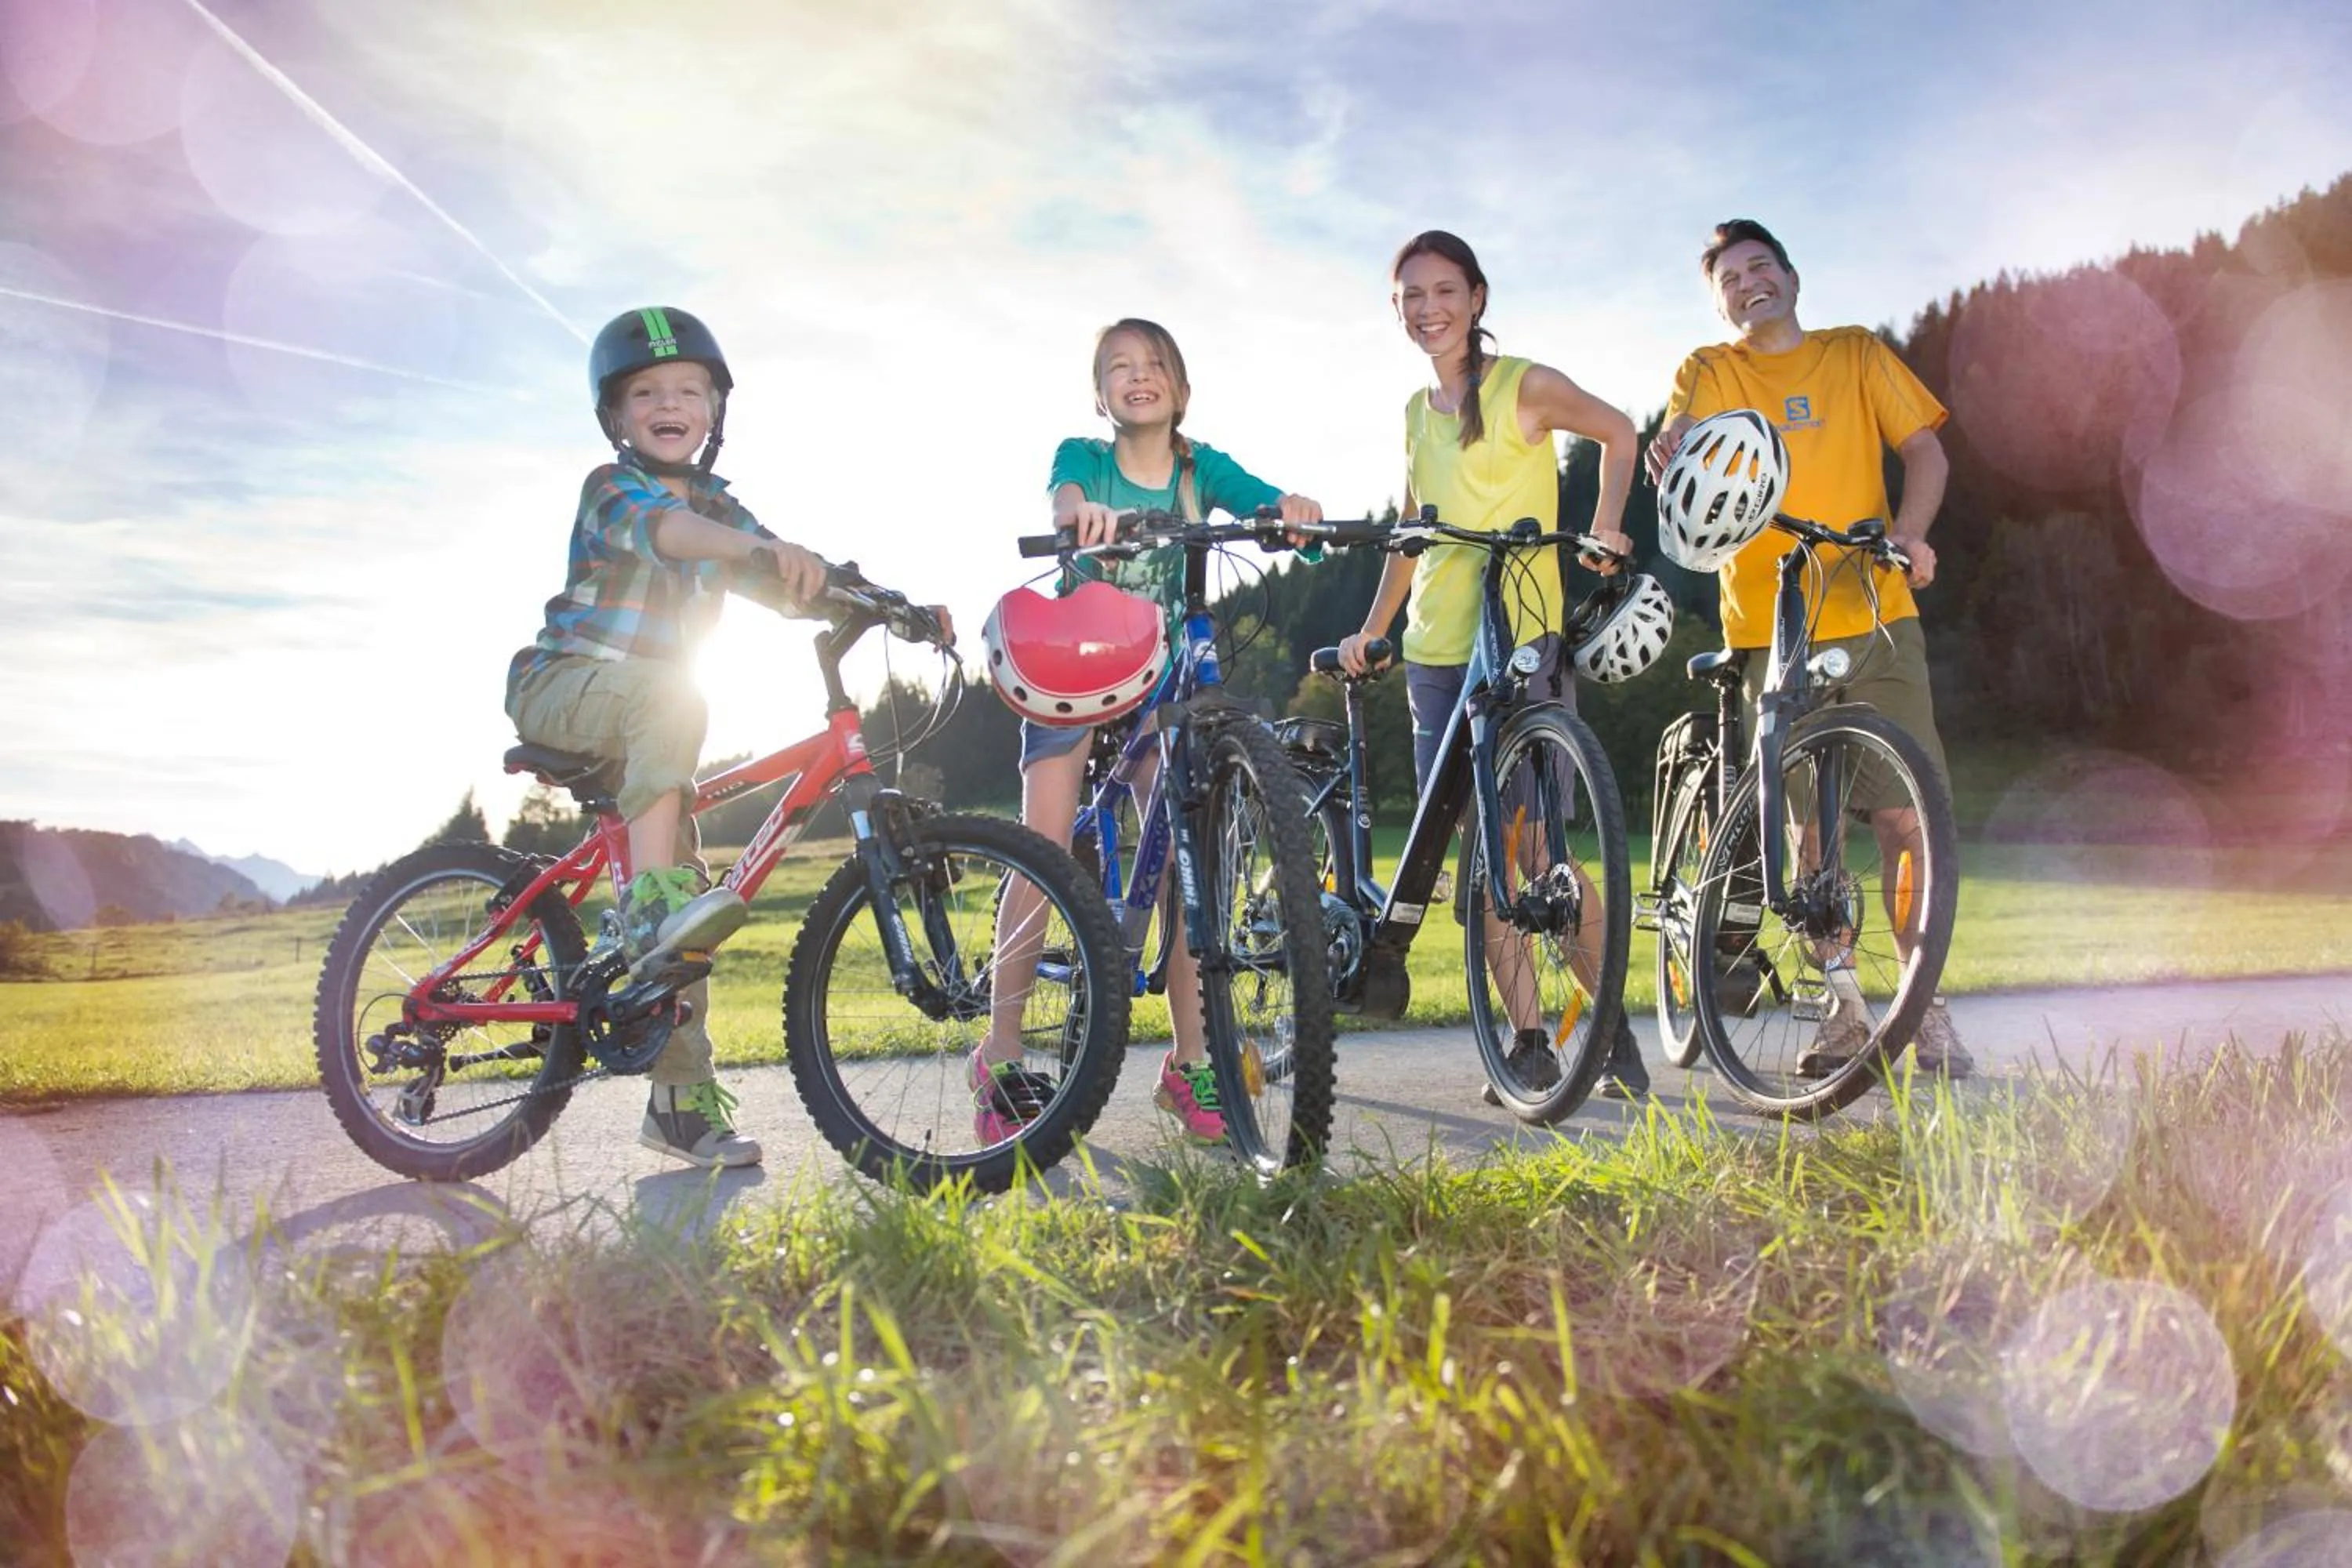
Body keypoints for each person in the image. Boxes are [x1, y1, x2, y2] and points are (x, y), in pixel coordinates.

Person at [507, 306, 887, 1167]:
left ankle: (678, 1106)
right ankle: (649, 903)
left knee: (687, 926)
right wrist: (759, 550)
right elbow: (672, 535)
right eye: (646, 392)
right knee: (674, 695)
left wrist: (881, 600)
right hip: (560, 687)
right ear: (616, 416)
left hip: (647, 725)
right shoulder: (612, 488)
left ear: (715, 410)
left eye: (688, 390)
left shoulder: (718, 505)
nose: (669, 404)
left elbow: (785, 578)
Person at [976, 318, 1323, 1147]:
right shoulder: (1084, 457)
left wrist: (1292, 513)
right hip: (1075, 667)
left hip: (1161, 672)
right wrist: (1082, 515)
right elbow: (1063, 498)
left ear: (1181, 386)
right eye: (1120, 367)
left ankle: (1190, 1062)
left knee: (1182, 858)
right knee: (1044, 847)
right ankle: (1001, 1053)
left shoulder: (1201, 468)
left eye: (1155, 363)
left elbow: (1264, 502)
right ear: (1100, 396)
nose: (1139, 375)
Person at [1645, 219, 1973, 1078]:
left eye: (1761, 267)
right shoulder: (1711, 368)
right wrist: (1672, 445)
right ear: (1719, 303)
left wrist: (1910, 533)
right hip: (1769, 625)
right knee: (1810, 831)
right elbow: (1686, 437)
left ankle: (1925, 1004)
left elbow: (1926, 451)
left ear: (1792, 278)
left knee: (1908, 819)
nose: (1748, 283)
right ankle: (1842, 1004)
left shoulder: (1854, 354)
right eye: (1729, 278)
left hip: (1874, 608)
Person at [1336, 230, 1650, 1103]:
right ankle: (1529, 1041)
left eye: (1444, 290)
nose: (1428, 308)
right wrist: (1373, 629)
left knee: (1536, 847)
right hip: (1436, 652)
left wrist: (1608, 524)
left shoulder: (1525, 386)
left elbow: (1620, 433)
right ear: (1397, 309)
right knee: (1483, 856)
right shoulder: (1415, 412)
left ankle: (1609, 1025)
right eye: (1411, 296)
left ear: (1477, 297)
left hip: (1522, 638)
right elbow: (1411, 534)